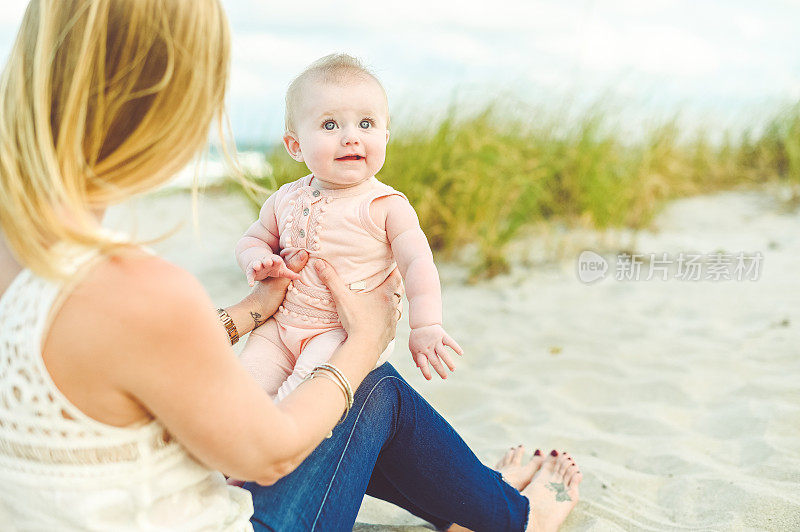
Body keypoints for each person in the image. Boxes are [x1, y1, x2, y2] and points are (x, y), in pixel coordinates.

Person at [0, 1, 582, 531]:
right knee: (373, 388)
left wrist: (251, 312)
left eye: (365, 124)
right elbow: (268, 452)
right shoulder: (145, 289)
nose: (349, 137)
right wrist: (367, 337)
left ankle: (469, 502)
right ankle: (512, 516)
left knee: (327, 400)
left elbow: (142, 357)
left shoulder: (21, 254)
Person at [235, 54, 463, 401]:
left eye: (366, 124)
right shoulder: (285, 198)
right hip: (279, 325)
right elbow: (253, 238)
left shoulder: (387, 207)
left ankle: (278, 439)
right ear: (295, 146)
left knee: (300, 396)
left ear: (385, 136)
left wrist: (426, 324)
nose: (350, 138)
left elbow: (417, 263)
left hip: (341, 331)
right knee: (242, 388)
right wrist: (257, 259)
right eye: (330, 125)